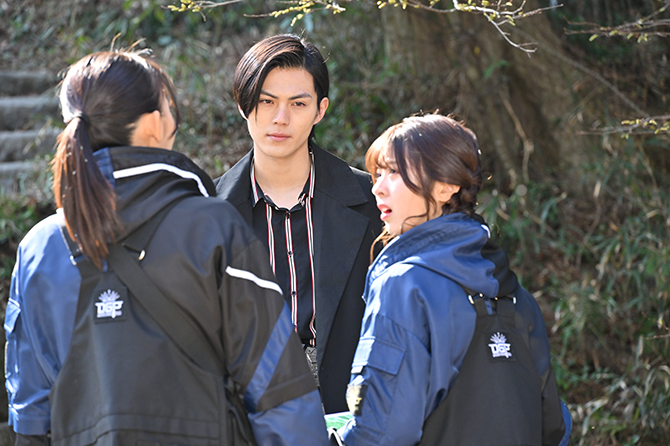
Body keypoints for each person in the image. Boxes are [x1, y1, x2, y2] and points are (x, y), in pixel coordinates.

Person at [4, 49, 329, 446]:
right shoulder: (213, 228)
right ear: (154, 124)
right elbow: (278, 392)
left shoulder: (39, 247)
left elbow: (31, 414)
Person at [332, 114, 572, 445]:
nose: (377, 187)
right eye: (378, 173)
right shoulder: (517, 296)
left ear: (446, 186)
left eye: (395, 172)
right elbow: (554, 425)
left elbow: (381, 432)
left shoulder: (404, 286)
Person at [214, 34, 382, 414]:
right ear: (243, 105)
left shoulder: (372, 201)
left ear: (320, 110)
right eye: (266, 101)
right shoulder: (209, 212)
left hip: (353, 412)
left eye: (298, 103)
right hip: (247, 415)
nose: (281, 118)